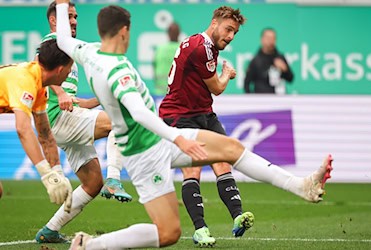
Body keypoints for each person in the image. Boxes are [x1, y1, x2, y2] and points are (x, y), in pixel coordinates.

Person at [54, 2, 333, 249]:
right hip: (150, 149)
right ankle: (96, 245)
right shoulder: (119, 70)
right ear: (125, 31)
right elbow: (139, 113)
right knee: (169, 230)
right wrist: (177, 139)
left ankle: (87, 245)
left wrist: (61, 4)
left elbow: (63, 39)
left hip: (145, 147)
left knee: (226, 156)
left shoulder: (88, 53)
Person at [35, 1, 132, 244]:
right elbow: (39, 70)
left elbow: (74, 100)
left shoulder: (68, 49)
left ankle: (49, 229)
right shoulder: (53, 41)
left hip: (66, 118)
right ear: (54, 19)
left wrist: (97, 100)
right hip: (58, 118)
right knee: (117, 122)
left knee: (91, 183)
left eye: (76, 16)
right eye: (69, 16)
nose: (74, 20)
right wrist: (60, 94)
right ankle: (114, 178)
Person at [159, 7, 252, 246]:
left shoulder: (205, 45)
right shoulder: (201, 47)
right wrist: (226, 73)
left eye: (235, 32)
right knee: (192, 169)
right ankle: (200, 229)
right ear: (214, 23)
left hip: (203, 113)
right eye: (228, 29)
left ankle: (238, 215)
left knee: (223, 158)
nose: (231, 36)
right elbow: (217, 88)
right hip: (180, 115)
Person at [0, 39, 73, 211]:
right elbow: (23, 129)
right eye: (70, 68)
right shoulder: (24, 80)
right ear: (61, 69)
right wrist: (46, 175)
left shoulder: (39, 85)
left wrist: (58, 175)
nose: (70, 73)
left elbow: (45, 135)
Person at [244, 28, 294, 94]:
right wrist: (252, 100)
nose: (271, 41)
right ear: (262, 39)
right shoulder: (256, 60)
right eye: (268, 38)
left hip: (279, 99)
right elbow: (246, 83)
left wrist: (285, 69)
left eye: (273, 38)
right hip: (261, 99)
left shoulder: (280, 58)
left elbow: (290, 78)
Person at [153, 22, 180, 96]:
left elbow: (154, 68)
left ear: (168, 34)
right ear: (179, 33)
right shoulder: (183, 48)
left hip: (160, 93)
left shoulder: (160, 49)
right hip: (176, 94)